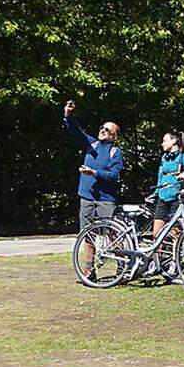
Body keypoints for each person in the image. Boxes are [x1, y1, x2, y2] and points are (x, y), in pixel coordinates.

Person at [62, 100, 123, 281]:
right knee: (87, 234)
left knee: (112, 234)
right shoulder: (92, 144)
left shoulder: (116, 153)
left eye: (107, 130)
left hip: (106, 199)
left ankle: (122, 268)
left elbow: (114, 176)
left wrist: (94, 173)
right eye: (102, 128)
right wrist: (68, 115)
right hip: (87, 198)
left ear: (114, 137)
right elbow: (75, 130)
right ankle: (89, 270)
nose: (103, 130)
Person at [152, 130, 184, 237]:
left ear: (174, 141)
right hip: (163, 197)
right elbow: (160, 176)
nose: (162, 144)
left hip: (177, 198)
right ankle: (158, 254)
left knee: (175, 233)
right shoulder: (164, 158)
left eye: (165, 141)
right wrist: (156, 193)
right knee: (156, 233)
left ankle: (175, 253)